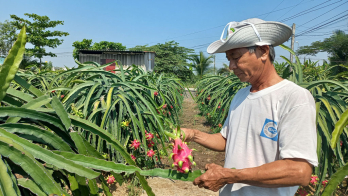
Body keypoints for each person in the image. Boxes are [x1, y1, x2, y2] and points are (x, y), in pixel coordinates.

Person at [180, 18, 318, 196]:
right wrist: (193, 134)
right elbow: (228, 140)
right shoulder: (241, 96)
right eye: (229, 59)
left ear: (263, 51)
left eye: (236, 58)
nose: (231, 66)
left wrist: (230, 175)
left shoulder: (294, 98)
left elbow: (299, 171)